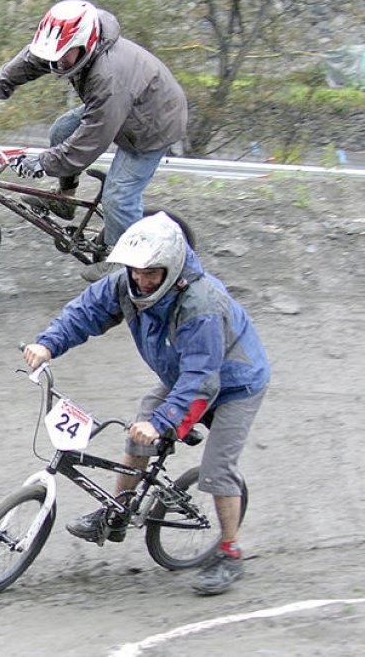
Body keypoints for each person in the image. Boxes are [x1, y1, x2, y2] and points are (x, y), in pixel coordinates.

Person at [22, 213, 269, 596]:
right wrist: (48, 343)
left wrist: (164, 421)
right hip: (183, 377)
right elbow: (86, 311)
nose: (141, 279)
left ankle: (229, 551)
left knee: (217, 471)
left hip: (235, 385)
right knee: (138, 436)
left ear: (171, 268)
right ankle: (117, 513)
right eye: (135, 271)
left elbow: (202, 379)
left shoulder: (201, 303)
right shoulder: (128, 283)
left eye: (151, 272)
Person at [0, 0, 188, 281]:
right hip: (124, 106)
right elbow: (31, 61)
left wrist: (43, 162)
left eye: (63, 57)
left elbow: (91, 140)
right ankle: (66, 200)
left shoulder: (109, 76)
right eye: (53, 56)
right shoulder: (72, 45)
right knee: (61, 132)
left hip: (153, 123)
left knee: (118, 195)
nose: (56, 64)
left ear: (86, 44)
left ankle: (125, 261)